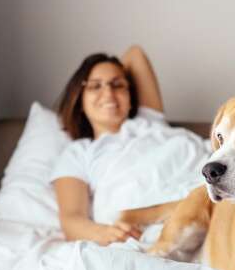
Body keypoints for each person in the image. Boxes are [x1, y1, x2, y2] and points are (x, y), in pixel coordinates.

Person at [51, 45, 165, 245]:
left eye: (117, 85)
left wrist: (109, 70)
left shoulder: (150, 122)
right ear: (80, 100)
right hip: (144, 226)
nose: (108, 93)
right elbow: (71, 219)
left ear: (130, 98)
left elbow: (135, 53)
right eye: (95, 86)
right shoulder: (78, 152)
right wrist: (107, 233)